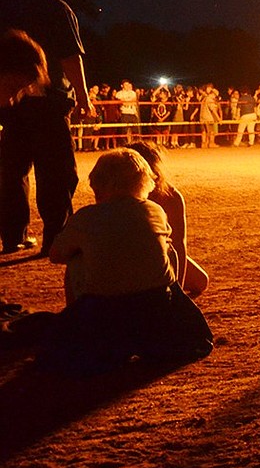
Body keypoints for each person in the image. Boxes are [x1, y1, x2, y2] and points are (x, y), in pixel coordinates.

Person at [40, 148, 212, 376]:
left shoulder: (86, 217)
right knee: (165, 248)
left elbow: (56, 254)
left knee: (76, 259)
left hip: (107, 313)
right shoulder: (156, 211)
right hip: (157, 310)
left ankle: (84, 329)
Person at [0, 0, 92, 256]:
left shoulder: (9, 6)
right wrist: (83, 98)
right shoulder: (57, 8)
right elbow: (69, 57)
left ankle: (14, 235)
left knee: (13, 168)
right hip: (49, 100)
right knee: (57, 170)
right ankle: (56, 237)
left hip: (12, 101)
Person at [125, 141, 209, 297]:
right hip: (128, 253)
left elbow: (179, 244)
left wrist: (178, 290)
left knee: (200, 281)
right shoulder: (121, 192)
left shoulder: (169, 196)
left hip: (159, 252)